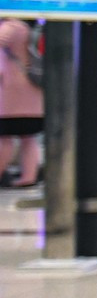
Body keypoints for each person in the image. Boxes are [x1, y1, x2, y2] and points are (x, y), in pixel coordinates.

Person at [0, 19, 42, 187]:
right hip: (33, 92)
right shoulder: (28, 28)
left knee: (4, 137)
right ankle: (29, 177)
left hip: (14, 93)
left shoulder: (12, 26)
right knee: (28, 137)